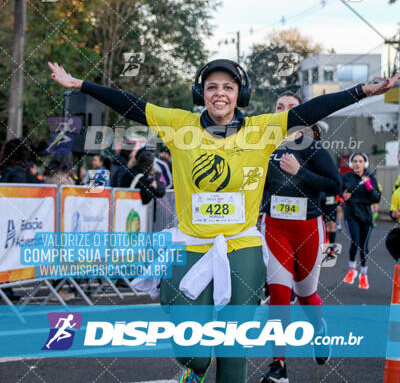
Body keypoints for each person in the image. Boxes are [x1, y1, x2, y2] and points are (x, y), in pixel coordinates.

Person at [48, 59, 399, 383]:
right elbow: (132, 105)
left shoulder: (262, 130)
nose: (220, 93)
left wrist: (362, 91)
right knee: (196, 354)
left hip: (241, 247)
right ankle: (191, 361)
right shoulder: (179, 124)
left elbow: (314, 108)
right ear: (201, 93)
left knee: (233, 353)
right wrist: (81, 85)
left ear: (239, 95)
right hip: (190, 245)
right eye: (212, 86)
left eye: (228, 87)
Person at [259, 92, 341, 383]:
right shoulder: (264, 146)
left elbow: (335, 184)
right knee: (280, 294)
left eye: (291, 107)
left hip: (308, 230)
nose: (285, 112)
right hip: (274, 228)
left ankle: (319, 331)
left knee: (306, 295)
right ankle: (278, 365)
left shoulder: (312, 148)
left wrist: (301, 172)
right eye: (279, 107)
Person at [342, 153, 381, 290]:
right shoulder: (347, 177)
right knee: (355, 242)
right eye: (355, 161)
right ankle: (352, 269)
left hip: (365, 215)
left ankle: (363, 274)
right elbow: (338, 191)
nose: (358, 164)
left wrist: (369, 186)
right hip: (351, 213)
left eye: (360, 161)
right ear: (352, 164)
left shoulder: (370, 177)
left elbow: (376, 198)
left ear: (365, 163)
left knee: (363, 246)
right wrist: (343, 196)